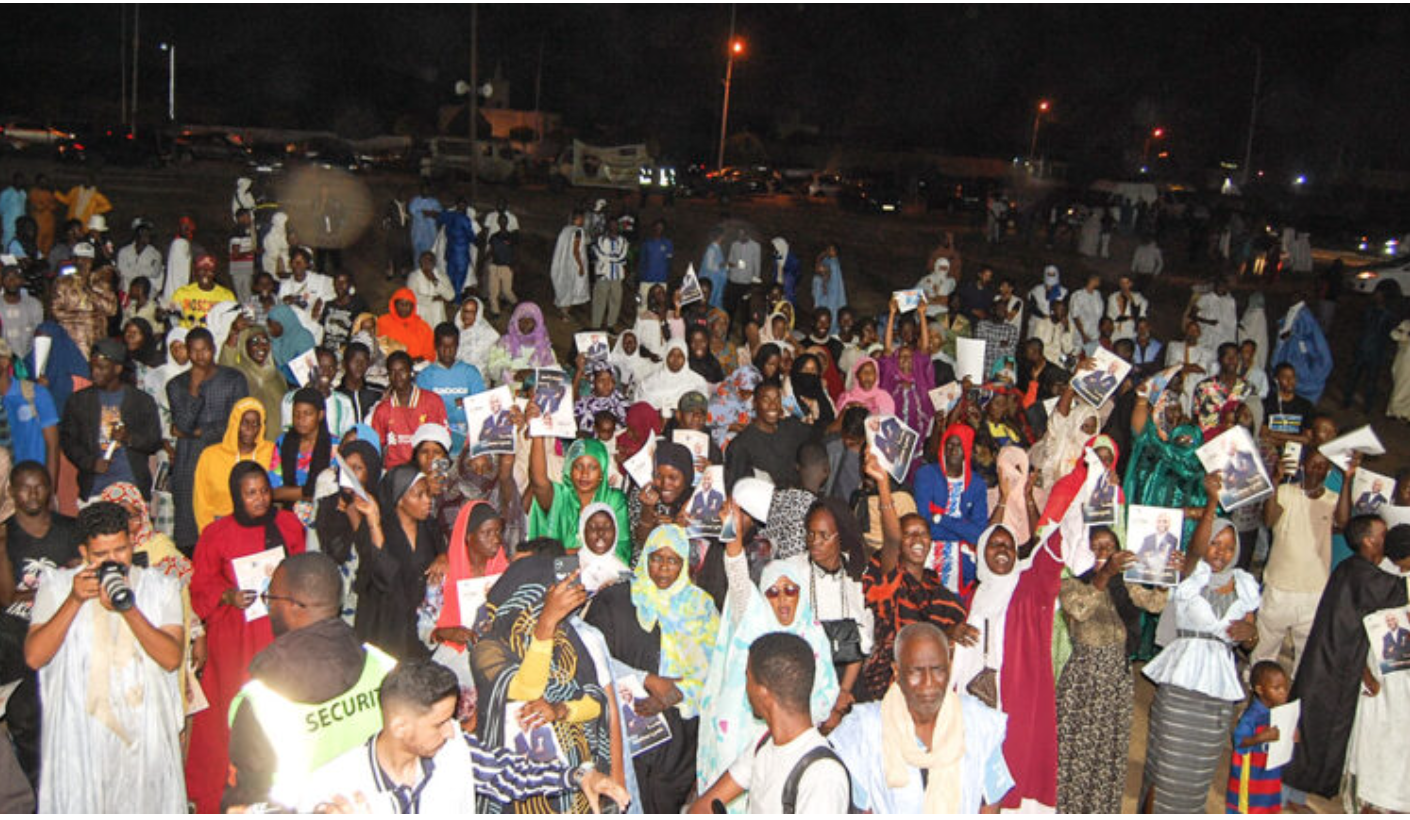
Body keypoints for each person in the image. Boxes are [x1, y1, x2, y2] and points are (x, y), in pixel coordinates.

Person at [288, 658, 628, 813]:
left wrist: (580, 775)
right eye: (438, 723)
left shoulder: (455, 750)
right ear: (400, 726)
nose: (452, 731)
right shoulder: (334, 791)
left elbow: (511, 773)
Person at [23, 502, 185, 813]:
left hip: (142, 733)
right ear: (84, 551)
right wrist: (73, 600)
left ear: (131, 542)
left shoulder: (160, 587)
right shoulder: (57, 587)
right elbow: (34, 656)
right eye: (101, 555)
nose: (114, 561)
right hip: (80, 733)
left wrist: (129, 610)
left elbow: (170, 658)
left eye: (121, 550)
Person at [224, 552, 399, 809]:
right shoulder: (383, 666)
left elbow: (248, 799)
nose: (268, 607)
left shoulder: (260, 700)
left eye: (270, 598)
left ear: (294, 605)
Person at [185, 462, 307, 812]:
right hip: (236, 636)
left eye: (264, 491)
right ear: (237, 496)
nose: (260, 499)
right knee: (236, 709)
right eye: (251, 493)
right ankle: (232, 788)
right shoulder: (216, 534)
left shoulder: (287, 524)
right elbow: (201, 585)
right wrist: (228, 595)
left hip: (278, 633)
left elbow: (302, 569)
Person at [1140, 475, 1262, 813]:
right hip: (1181, 689)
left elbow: (1251, 640)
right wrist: (1211, 502)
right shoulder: (1189, 572)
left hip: (1218, 695)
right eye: (1214, 543)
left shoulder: (1245, 584)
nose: (1220, 552)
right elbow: (1195, 551)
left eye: (1228, 546)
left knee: (1196, 775)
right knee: (1166, 770)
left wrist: (1247, 635)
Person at [584, 524, 718, 812]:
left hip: (679, 738)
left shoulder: (701, 608)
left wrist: (669, 696)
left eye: (673, 561)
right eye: (656, 558)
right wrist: (645, 681)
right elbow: (593, 658)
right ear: (645, 557)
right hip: (626, 726)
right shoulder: (617, 600)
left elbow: (713, 671)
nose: (663, 569)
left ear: (684, 565)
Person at [468, 551, 612, 813]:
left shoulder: (566, 636)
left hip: (575, 782)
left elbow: (595, 701)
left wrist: (561, 710)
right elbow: (525, 690)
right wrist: (544, 624)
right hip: (519, 789)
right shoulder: (488, 647)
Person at [1283, 515, 1410, 806]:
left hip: (1339, 660)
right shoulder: (1359, 572)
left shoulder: (1359, 569)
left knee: (1326, 728)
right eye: (1382, 532)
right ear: (1368, 540)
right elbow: (1397, 591)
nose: (1386, 536)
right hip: (1332, 663)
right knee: (1315, 727)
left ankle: (1305, 788)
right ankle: (1290, 789)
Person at [830, 622, 1015, 812]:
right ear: (896, 672)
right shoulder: (865, 730)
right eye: (916, 671)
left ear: (949, 666)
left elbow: (991, 803)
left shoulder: (977, 722)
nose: (929, 683)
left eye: (937, 670)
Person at [1056, 526, 1168, 813]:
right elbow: (1080, 610)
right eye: (1097, 547)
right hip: (1085, 679)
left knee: (1109, 751)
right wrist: (1104, 574)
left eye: (1109, 547)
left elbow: (1155, 604)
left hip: (1117, 677)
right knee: (1077, 751)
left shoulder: (1127, 584)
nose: (1103, 553)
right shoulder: (1072, 585)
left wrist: (1166, 576)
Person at [690, 632, 853, 814]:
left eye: (747, 677)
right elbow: (703, 807)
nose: (746, 688)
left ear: (763, 693)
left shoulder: (822, 775)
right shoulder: (763, 744)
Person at [0, 460, 75, 784]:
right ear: (11, 492)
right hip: (15, 644)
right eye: (24, 487)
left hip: (63, 640)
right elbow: (6, 598)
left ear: (50, 489)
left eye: (39, 485)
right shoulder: (6, 537)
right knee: (27, 724)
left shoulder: (71, 530)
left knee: (67, 725)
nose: (32, 493)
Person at [168, 328, 250, 553]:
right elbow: (182, 424)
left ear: (213, 349)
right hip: (189, 463)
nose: (199, 356)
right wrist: (194, 389)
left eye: (204, 350)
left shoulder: (234, 379)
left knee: (227, 528)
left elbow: (238, 424)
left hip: (223, 459)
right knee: (190, 533)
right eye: (194, 351)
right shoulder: (176, 385)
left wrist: (197, 433)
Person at [1252, 449, 1336, 669]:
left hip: (1314, 590)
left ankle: (1297, 696)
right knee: (1264, 646)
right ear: (1302, 466)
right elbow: (1269, 520)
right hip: (1279, 587)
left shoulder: (1332, 500)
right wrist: (1275, 480)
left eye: (1322, 466)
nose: (1316, 469)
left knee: (1306, 654)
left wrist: (1347, 480)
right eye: (1312, 464)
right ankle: (1255, 688)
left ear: (1328, 471)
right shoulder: (1285, 492)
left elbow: (1344, 522)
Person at [350, 464, 443, 660]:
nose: (428, 500)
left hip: (420, 627)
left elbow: (442, 556)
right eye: (419, 495)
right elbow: (384, 574)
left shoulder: (430, 528)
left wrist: (445, 557)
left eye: (428, 493)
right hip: (386, 626)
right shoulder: (377, 531)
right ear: (400, 500)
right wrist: (374, 521)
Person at [58, 338, 161, 501]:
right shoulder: (78, 401)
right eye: (92, 367)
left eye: (102, 368)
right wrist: (91, 463)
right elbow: (68, 441)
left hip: (132, 490)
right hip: (94, 489)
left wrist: (129, 438)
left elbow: (154, 441)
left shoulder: (141, 401)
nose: (95, 372)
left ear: (118, 369)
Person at [527, 432, 631, 559]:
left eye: (592, 467)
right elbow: (539, 482)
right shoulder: (559, 497)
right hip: (557, 575)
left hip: (601, 575)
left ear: (602, 472)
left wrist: (570, 553)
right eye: (578, 466)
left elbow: (621, 547)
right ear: (569, 469)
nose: (584, 474)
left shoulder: (614, 500)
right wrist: (538, 435)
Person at [913, 424, 989, 594]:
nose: (953, 450)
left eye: (959, 445)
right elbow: (924, 526)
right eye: (950, 445)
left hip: (962, 565)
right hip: (927, 555)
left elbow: (978, 534)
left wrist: (940, 518)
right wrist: (963, 531)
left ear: (968, 449)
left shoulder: (976, 484)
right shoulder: (926, 475)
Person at [193, 397, 276, 533]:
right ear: (234, 423)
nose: (250, 429)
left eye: (256, 424)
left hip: (261, 524)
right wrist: (207, 533)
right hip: (220, 525)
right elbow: (201, 501)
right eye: (245, 423)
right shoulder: (210, 455)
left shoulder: (272, 451)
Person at [724, 383, 817, 492]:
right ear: (755, 404)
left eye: (777, 399)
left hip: (799, 497)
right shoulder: (741, 445)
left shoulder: (792, 427)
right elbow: (735, 489)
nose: (773, 405)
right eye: (766, 400)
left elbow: (821, 434)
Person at [1226, 661, 1291, 814]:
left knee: (1266, 804)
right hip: (1250, 775)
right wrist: (1260, 738)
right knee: (1248, 807)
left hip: (1268, 773)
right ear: (1260, 689)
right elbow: (1239, 741)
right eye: (1277, 688)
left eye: (1285, 688)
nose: (1283, 692)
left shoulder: (1277, 712)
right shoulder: (1251, 717)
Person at [369, 351, 449, 469]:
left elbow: (443, 444)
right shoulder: (382, 410)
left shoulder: (432, 401)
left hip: (427, 470)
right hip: (396, 473)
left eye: (402, 371)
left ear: (411, 372)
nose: (397, 377)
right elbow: (375, 448)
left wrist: (440, 479)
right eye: (392, 372)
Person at [416, 323, 486, 453]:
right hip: (437, 437)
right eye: (443, 346)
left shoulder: (470, 372)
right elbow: (422, 411)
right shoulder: (425, 376)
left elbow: (481, 404)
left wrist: (469, 403)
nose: (447, 351)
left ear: (458, 346)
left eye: (452, 347)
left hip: (468, 437)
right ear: (435, 346)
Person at [485, 302, 558, 389]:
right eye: (521, 319)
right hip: (506, 393)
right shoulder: (504, 343)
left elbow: (555, 377)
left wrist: (534, 374)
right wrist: (509, 373)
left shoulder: (545, 348)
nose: (526, 323)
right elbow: (492, 371)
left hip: (534, 396)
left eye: (530, 319)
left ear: (538, 323)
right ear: (515, 322)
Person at [377, 287, 435, 363]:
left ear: (413, 306)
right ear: (394, 304)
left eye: (408, 304)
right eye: (401, 304)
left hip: (417, 367)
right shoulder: (383, 322)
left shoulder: (423, 327)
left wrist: (410, 362)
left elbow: (430, 354)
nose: (404, 307)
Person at [550, 210, 590, 318]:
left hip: (564, 263)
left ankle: (564, 310)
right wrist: (581, 266)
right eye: (582, 219)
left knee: (565, 286)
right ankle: (565, 313)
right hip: (573, 265)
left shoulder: (566, 229)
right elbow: (575, 250)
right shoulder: (578, 231)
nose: (583, 221)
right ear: (577, 219)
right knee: (572, 288)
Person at [437, 198, 476, 297]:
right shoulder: (464, 219)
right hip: (461, 252)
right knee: (460, 277)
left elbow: (439, 219)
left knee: (450, 275)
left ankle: (448, 296)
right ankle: (457, 299)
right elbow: (471, 236)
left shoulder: (449, 215)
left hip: (450, 250)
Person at [406, 250, 454, 328]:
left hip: (437, 313)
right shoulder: (414, 276)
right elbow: (412, 296)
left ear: (434, 262)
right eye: (424, 260)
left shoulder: (441, 275)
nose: (427, 262)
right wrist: (433, 298)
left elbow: (451, 296)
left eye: (430, 260)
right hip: (420, 311)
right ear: (420, 262)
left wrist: (435, 281)